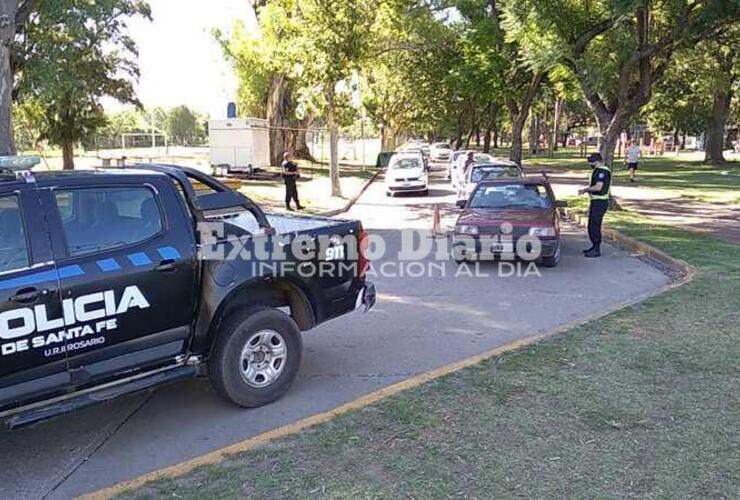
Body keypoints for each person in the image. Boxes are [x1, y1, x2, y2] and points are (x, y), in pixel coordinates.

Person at [578, 152, 611, 258]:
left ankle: (596, 248)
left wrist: (585, 190)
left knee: (595, 226)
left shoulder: (602, 171)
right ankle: (594, 246)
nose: (590, 164)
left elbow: (598, 187)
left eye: (592, 162)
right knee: (592, 225)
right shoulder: (598, 170)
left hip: (600, 202)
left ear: (597, 161)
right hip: (596, 201)